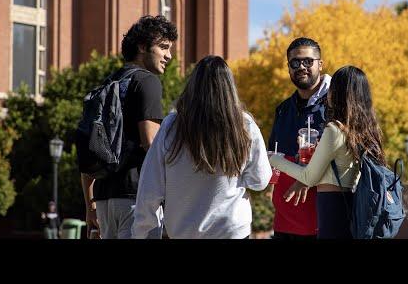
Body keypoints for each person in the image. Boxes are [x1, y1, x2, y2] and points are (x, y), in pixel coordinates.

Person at [131, 55, 272, 239]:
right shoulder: (244, 125)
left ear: (192, 86)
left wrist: (141, 231)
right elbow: (260, 180)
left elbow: (150, 187)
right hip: (231, 229)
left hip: (184, 231)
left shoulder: (172, 126)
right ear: (229, 88)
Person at [80, 15, 177, 239]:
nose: (168, 55)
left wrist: (89, 205)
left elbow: (88, 149)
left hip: (103, 200)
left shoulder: (107, 83)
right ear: (143, 46)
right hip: (136, 198)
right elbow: (151, 144)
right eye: (163, 47)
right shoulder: (147, 81)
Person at [270, 65, 385, 239]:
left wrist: (274, 159)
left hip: (331, 206)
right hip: (350, 204)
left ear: (337, 93)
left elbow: (309, 177)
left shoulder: (334, 129)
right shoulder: (365, 129)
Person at [268, 37, 331, 240]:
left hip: (325, 219)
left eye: (308, 61)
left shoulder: (338, 104)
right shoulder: (283, 109)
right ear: (288, 67)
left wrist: (308, 177)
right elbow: (273, 156)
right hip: (286, 220)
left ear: (320, 64)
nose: (301, 67)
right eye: (295, 62)